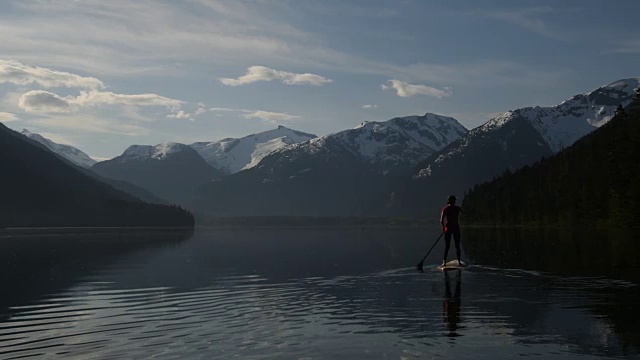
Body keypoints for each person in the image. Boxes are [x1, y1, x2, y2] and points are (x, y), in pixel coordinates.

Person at [440, 195, 463, 266]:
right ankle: (459, 262)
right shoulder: (457, 208)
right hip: (455, 228)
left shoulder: (445, 209)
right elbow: (465, 212)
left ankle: (444, 262)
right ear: (454, 201)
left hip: (448, 229)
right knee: (457, 246)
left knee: (447, 246)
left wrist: (443, 227)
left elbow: (441, 220)